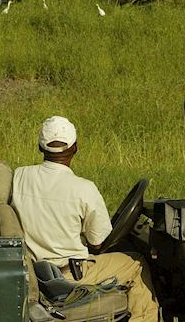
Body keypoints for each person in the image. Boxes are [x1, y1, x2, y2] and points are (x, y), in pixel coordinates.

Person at [11, 116, 159, 322]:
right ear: (75, 148)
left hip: (36, 271)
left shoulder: (19, 176)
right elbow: (98, 242)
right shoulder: (84, 188)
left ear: (40, 146)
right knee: (136, 263)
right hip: (71, 274)